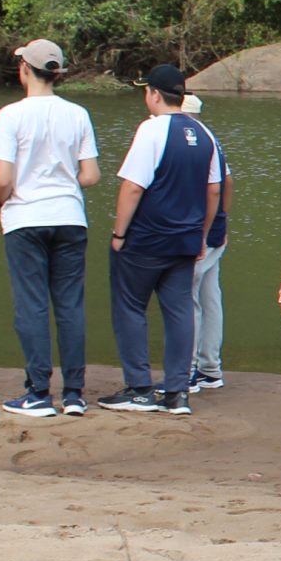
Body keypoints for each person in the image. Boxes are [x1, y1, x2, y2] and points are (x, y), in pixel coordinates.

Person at [0, 39, 100, 418]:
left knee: (32, 305)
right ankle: (74, 394)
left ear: (24, 70)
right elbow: (91, 175)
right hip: (69, 217)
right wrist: (61, 180)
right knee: (70, 306)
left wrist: (7, 194)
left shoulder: (10, 115)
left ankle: (37, 391)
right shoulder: (78, 113)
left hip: (25, 218)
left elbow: (2, 179)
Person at [100, 66, 225, 416]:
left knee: (130, 307)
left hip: (146, 238)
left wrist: (119, 233)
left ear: (154, 94)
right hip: (185, 241)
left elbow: (133, 186)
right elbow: (213, 191)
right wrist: (201, 236)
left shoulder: (152, 129)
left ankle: (140, 389)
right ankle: (176, 392)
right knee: (180, 310)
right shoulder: (204, 133)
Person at [184, 93, 232, 396]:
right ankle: (210, 369)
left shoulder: (188, 141)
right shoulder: (209, 138)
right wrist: (223, 221)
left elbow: (215, 188)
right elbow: (227, 182)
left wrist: (203, 232)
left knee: (187, 299)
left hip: (200, 232)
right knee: (209, 296)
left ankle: (187, 372)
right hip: (215, 230)